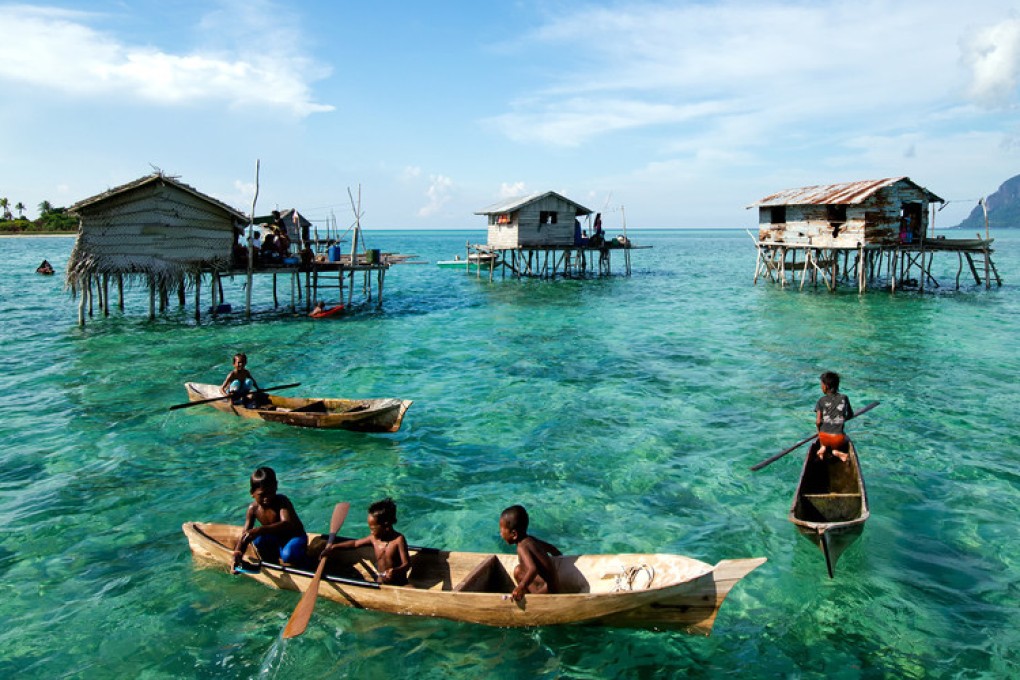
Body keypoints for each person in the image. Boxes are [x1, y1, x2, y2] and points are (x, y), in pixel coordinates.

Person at [232, 467, 307, 569]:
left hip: (294, 538)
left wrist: (261, 529)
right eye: (262, 495)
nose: (267, 498)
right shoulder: (253, 509)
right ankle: (271, 563)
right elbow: (245, 535)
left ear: (276, 487)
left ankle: (300, 563)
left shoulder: (282, 501)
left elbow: (287, 523)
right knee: (257, 540)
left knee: (288, 555)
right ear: (252, 493)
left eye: (270, 492)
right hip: (276, 540)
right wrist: (238, 552)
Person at [323, 498, 410, 585]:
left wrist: (395, 571)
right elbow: (355, 543)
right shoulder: (373, 538)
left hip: (398, 582)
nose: (371, 532)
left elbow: (407, 564)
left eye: (373, 529)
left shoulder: (398, 540)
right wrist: (334, 547)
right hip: (381, 579)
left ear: (386, 524)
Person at [499, 505, 561, 601]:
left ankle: (528, 599)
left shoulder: (522, 547)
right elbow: (552, 548)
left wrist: (521, 587)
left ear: (514, 534)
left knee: (518, 572)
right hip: (552, 586)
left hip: (548, 591)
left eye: (502, 530)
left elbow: (533, 569)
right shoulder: (531, 540)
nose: (501, 534)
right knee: (518, 570)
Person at [816, 371, 854, 462]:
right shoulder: (844, 398)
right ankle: (836, 451)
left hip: (824, 437)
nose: (821, 387)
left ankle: (823, 447)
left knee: (822, 430)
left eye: (821, 384)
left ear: (826, 386)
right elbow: (850, 415)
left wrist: (818, 433)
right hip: (838, 439)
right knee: (840, 436)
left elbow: (818, 422)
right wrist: (842, 419)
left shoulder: (821, 400)